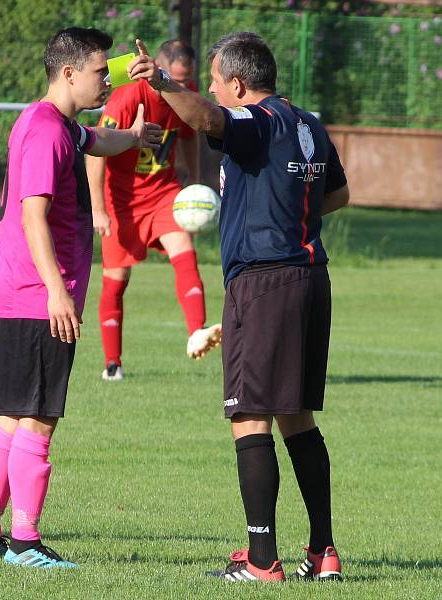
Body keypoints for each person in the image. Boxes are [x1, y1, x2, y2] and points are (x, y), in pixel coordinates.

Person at [130, 32, 351, 582]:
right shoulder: (308, 124)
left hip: (265, 280)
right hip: (309, 275)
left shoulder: (258, 121)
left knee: (249, 415)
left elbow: (208, 121)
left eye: (213, 80)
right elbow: (339, 194)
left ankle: (260, 560)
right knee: (296, 416)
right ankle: (323, 552)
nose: (209, 89)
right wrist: (287, 208)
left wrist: (159, 81)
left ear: (237, 83)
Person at [0, 27, 162, 569]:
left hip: (12, 292)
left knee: (11, 415)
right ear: (69, 74)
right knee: (39, 419)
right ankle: (25, 543)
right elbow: (33, 217)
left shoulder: (57, 123)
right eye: (100, 73)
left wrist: (137, 137)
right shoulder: (48, 133)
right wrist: (56, 292)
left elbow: (99, 139)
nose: (107, 81)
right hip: (36, 297)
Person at [86, 40, 221, 382]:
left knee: (185, 253)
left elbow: (190, 135)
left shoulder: (183, 93)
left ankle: (197, 331)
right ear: (157, 68)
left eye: (185, 78)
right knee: (116, 282)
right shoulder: (128, 97)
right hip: (122, 201)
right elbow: (94, 150)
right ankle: (112, 363)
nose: (178, 84)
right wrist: (98, 209)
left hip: (164, 192)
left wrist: (193, 180)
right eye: (171, 76)